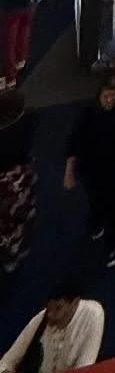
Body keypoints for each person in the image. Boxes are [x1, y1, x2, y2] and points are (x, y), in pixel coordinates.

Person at [64, 78, 115, 267]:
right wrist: (69, 171)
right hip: (92, 172)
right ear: (99, 94)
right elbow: (74, 141)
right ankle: (97, 222)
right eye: (106, 95)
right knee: (96, 202)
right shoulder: (88, 113)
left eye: (114, 95)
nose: (110, 99)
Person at [0, 282, 104, 373]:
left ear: (75, 303)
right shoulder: (42, 318)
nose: (50, 315)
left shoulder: (93, 314)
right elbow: (6, 362)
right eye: (49, 308)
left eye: (58, 308)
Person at [0, 89, 37, 273]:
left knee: (7, 225)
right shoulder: (29, 119)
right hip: (22, 175)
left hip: (7, 184)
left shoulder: (4, 133)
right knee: (19, 215)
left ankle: (11, 255)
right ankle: (16, 249)